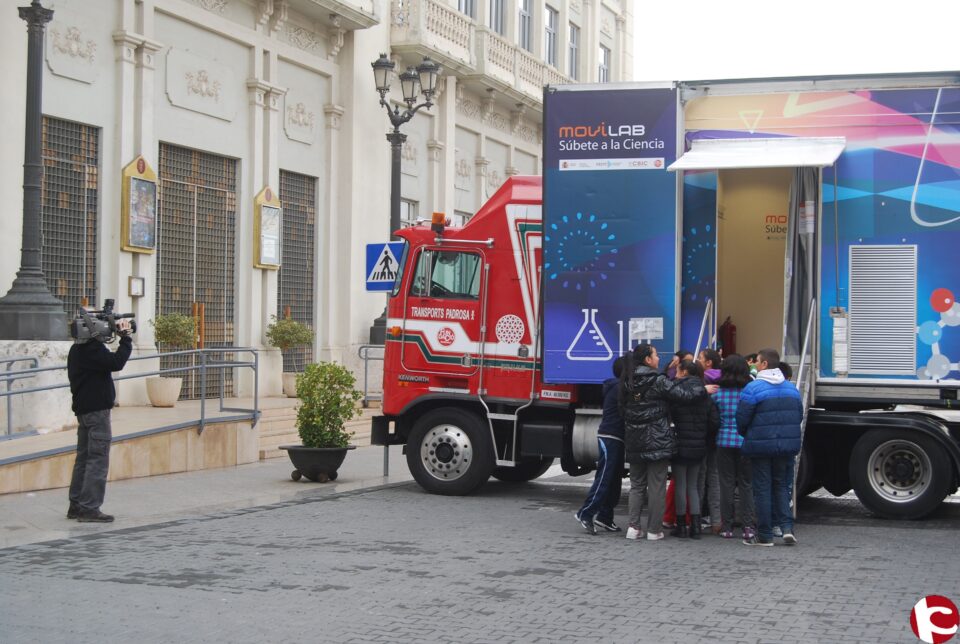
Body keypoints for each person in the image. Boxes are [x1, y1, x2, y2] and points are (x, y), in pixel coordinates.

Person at [622, 344, 698, 541]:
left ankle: (633, 527)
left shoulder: (627, 380)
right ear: (648, 360)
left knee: (637, 485)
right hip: (658, 439)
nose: (658, 358)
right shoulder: (658, 381)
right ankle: (654, 530)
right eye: (656, 355)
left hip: (634, 438)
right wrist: (702, 388)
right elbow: (684, 395)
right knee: (656, 486)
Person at [67, 317, 133, 523]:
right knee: (98, 459)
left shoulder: (77, 350)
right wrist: (126, 339)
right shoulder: (92, 350)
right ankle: (89, 508)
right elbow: (116, 363)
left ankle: (76, 505)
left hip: (85, 412)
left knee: (84, 459)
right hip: (97, 413)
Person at [736, 348, 802, 546]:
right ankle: (787, 528)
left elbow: (742, 419)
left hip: (760, 446)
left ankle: (765, 535)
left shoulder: (753, 388)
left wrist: (747, 434)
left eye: (757, 361)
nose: (754, 364)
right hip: (786, 446)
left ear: (764, 364)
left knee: (762, 489)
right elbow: (798, 416)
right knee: (782, 485)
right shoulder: (792, 389)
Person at [667, 361, 719, 540]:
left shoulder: (676, 392)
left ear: (683, 371)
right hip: (699, 445)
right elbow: (714, 422)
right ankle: (696, 527)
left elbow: (668, 416)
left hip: (680, 444)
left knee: (680, 485)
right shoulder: (706, 394)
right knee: (693, 486)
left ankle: (681, 525)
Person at [576, 356, 626, 535]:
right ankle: (586, 513)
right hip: (609, 436)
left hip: (617, 437)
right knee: (604, 478)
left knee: (614, 481)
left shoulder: (620, 387)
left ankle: (605, 516)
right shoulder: (619, 388)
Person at [712, 354, 757, 540]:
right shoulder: (750, 392)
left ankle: (727, 527)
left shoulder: (717, 394)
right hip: (745, 442)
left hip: (723, 441)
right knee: (746, 484)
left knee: (726, 484)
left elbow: (713, 420)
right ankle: (748, 526)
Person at [697, 348, 723, 533]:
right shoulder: (724, 381)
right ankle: (716, 521)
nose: (697, 360)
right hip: (716, 437)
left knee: (699, 479)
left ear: (708, 363)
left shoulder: (702, 380)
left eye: (700, 358)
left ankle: (695, 520)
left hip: (701, 437)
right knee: (714, 478)